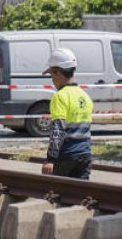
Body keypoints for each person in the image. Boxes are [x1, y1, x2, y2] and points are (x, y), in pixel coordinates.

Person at [40, 48, 93, 179]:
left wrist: (50, 159)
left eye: (52, 74)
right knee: (80, 190)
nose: (52, 79)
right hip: (85, 154)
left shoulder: (60, 96)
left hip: (66, 155)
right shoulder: (84, 96)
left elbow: (58, 130)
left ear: (58, 72)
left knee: (57, 190)